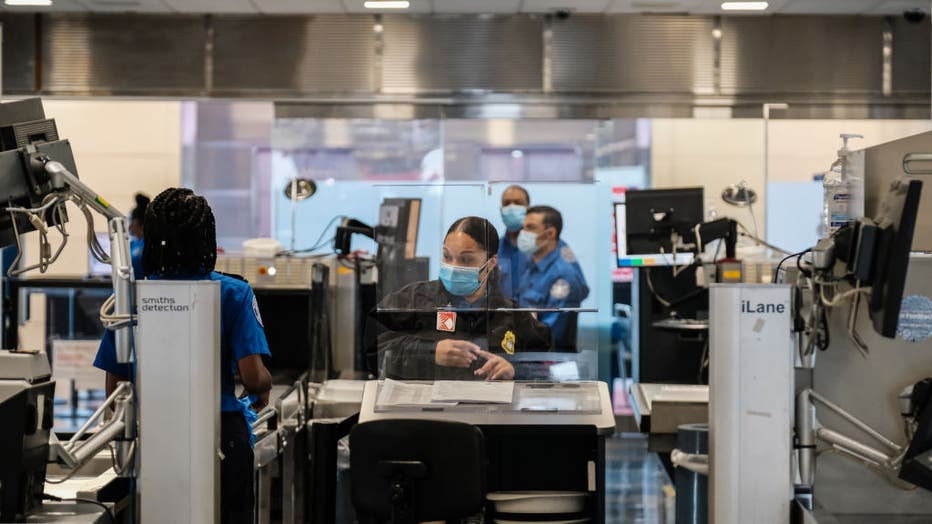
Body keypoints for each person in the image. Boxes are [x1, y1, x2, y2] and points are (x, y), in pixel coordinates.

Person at [93, 188, 272, 524]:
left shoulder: (131, 298)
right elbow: (252, 376)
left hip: (154, 437)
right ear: (207, 238)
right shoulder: (233, 292)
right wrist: (263, 386)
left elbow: (115, 389)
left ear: (152, 237)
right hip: (222, 438)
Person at [372, 216, 552, 381]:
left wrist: (515, 369)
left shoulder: (510, 314)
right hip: (425, 410)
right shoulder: (415, 300)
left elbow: (548, 364)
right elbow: (375, 345)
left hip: (489, 412)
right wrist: (429, 351)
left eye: (466, 260)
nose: (453, 266)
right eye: (447, 256)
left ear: (490, 264)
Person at [514, 205, 590, 352]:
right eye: (523, 227)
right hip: (527, 352)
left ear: (550, 234)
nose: (523, 233)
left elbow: (551, 335)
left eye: (530, 227)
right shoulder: (534, 261)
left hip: (548, 361)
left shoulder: (563, 275)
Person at [498, 185, 530, 300]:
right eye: (507, 203)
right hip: (503, 316)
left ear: (528, 209)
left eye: (518, 202)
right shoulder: (493, 250)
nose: (512, 207)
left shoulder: (542, 248)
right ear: (501, 210)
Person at [128, 193, 149, 278]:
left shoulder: (148, 244)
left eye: (132, 222)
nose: (129, 226)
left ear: (141, 223)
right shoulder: (132, 244)